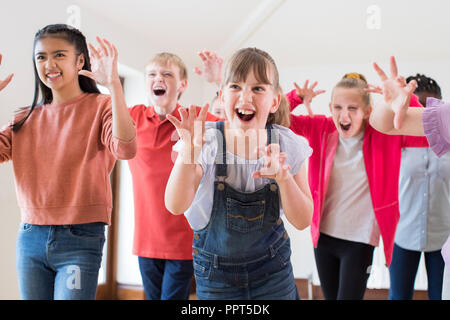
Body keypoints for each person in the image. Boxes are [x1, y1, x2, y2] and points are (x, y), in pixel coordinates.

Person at [0, 24, 137, 300]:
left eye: (59, 54)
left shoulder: (102, 105)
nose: (49, 64)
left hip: (81, 237)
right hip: (30, 237)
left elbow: (125, 148)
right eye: (41, 57)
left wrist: (114, 88)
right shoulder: (23, 119)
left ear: (80, 61)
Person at [165, 47, 313, 300]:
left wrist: (284, 178)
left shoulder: (289, 144)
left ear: (275, 100)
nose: (246, 96)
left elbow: (302, 220)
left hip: (273, 273)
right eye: (235, 86)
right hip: (215, 277)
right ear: (222, 97)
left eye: (258, 88)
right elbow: (175, 205)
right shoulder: (206, 140)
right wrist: (189, 151)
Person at [286, 72, 428, 300]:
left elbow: (427, 135)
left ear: (367, 111)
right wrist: (295, 97)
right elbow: (276, 118)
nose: (344, 115)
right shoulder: (320, 128)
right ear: (330, 107)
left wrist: (405, 100)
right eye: (338, 107)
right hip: (323, 236)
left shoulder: (386, 133)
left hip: (360, 239)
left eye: (352, 108)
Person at [127, 52, 220, 300]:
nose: (159, 78)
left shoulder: (194, 117)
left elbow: (235, 124)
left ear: (182, 84)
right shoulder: (133, 116)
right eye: (153, 74)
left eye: (168, 74)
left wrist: (220, 82)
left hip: (183, 239)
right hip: (146, 238)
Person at [368, 56, 450, 300]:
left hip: (442, 233)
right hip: (404, 233)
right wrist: (391, 104)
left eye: (430, 106)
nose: (425, 113)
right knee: (399, 296)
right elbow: (381, 124)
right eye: (419, 105)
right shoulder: (399, 141)